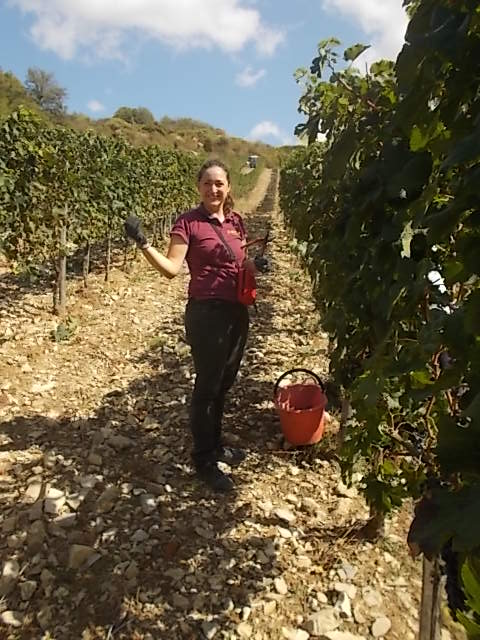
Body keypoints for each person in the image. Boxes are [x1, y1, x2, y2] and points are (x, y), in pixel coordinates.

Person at [125, 159, 266, 493]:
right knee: (207, 386)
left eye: (219, 183)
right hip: (207, 315)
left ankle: (216, 446)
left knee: (224, 382)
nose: (213, 189)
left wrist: (255, 264)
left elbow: (240, 262)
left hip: (236, 312)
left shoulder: (236, 221)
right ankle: (203, 459)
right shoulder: (188, 223)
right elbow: (171, 269)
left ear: (228, 187)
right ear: (198, 187)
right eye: (207, 183)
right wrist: (143, 242)